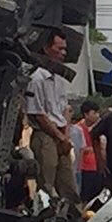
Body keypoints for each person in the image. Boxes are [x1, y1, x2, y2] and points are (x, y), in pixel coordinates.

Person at [24, 29, 79, 205]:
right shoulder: (36, 78)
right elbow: (38, 114)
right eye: (59, 48)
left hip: (61, 135)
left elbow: (65, 109)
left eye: (65, 49)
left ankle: (72, 221)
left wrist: (66, 136)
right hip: (45, 135)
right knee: (46, 185)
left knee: (68, 184)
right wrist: (59, 136)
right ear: (47, 48)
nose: (63, 53)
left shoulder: (59, 78)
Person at [76, 100, 102, 202]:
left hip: (98, 166)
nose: (97, 115)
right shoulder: (78, 129)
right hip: (85, 168)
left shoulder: (99, 127)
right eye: (94, 113)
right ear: (86, 114)